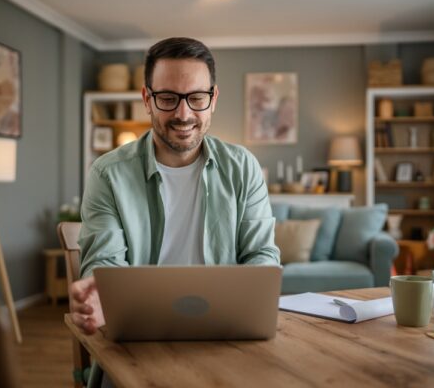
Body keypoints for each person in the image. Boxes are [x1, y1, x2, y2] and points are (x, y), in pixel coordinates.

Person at [70, 37, 280, 336]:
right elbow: (105, 262)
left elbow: (261, 254)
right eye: (168, 98)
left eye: (196, 98)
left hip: (226, 331)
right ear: (146, 99)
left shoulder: (243, 166)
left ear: (213, 99)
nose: (183, 114)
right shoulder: (107, 174)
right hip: (140, 331)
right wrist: (100, 295)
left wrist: (250, 301)